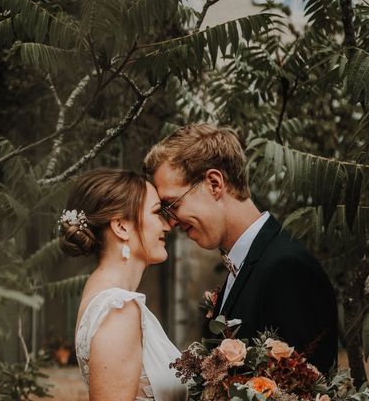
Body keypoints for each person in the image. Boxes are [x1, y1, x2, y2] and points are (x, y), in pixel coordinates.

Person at [144, 123, 338, 374]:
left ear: (214, 183)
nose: (170, 222)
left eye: (173, 204)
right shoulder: (246, 263)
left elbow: (304, 385)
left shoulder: (287, 269)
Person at [59, 168, 187, 401]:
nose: (167, 225)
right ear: (121, 226)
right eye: (157, 212)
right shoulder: (119, 309)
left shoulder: (105, 295)